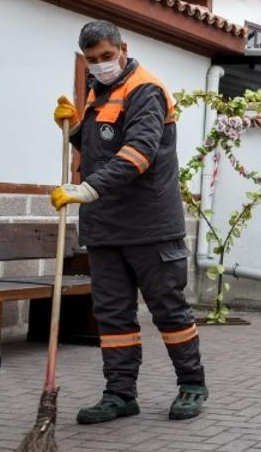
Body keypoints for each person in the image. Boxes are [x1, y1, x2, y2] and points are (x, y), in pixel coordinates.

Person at [51, 21, 208, 424]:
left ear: (123, 48)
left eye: (107, 56)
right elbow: (101, 145)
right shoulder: (97, 92)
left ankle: (191, 385)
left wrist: (86, 190)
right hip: (106, 227)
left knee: (168, 310)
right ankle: (120, 394)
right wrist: (73, 131)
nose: (101, 65)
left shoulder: (145, 89)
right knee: (113, 315)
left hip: (150, 225)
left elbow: (139, 152)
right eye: (92, 60)